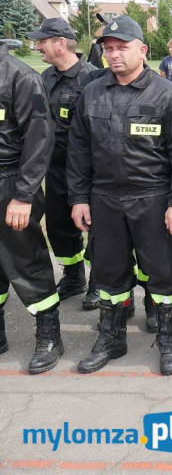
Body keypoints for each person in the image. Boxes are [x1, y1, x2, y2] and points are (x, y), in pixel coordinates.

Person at [68, 16, 172, 375]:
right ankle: (112, 337)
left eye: (122, 47)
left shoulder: (167, 94)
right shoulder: (91, 92)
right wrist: (78, 198)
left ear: (142, 50)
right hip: (104, 198)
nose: (114, 54)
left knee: (162, 274)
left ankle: (169, 340)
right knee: (108, 273)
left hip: (152, 198)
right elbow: (77, 151)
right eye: (108, 48)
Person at [0, 39, 63, 374]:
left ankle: (49, 334)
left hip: (9, 184)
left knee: (26, 261)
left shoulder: (19, 76)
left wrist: (23, 195)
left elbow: (39, 138)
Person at [27, 19, 97, 303]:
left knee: (96, 226)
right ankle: (73, 276)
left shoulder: (93, 78)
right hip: (54, 167)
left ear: (59, 43)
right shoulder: (45, 77)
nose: (37, 46)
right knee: (58, 225)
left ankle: (100, 280)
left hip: (89, 168)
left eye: (42, 41)